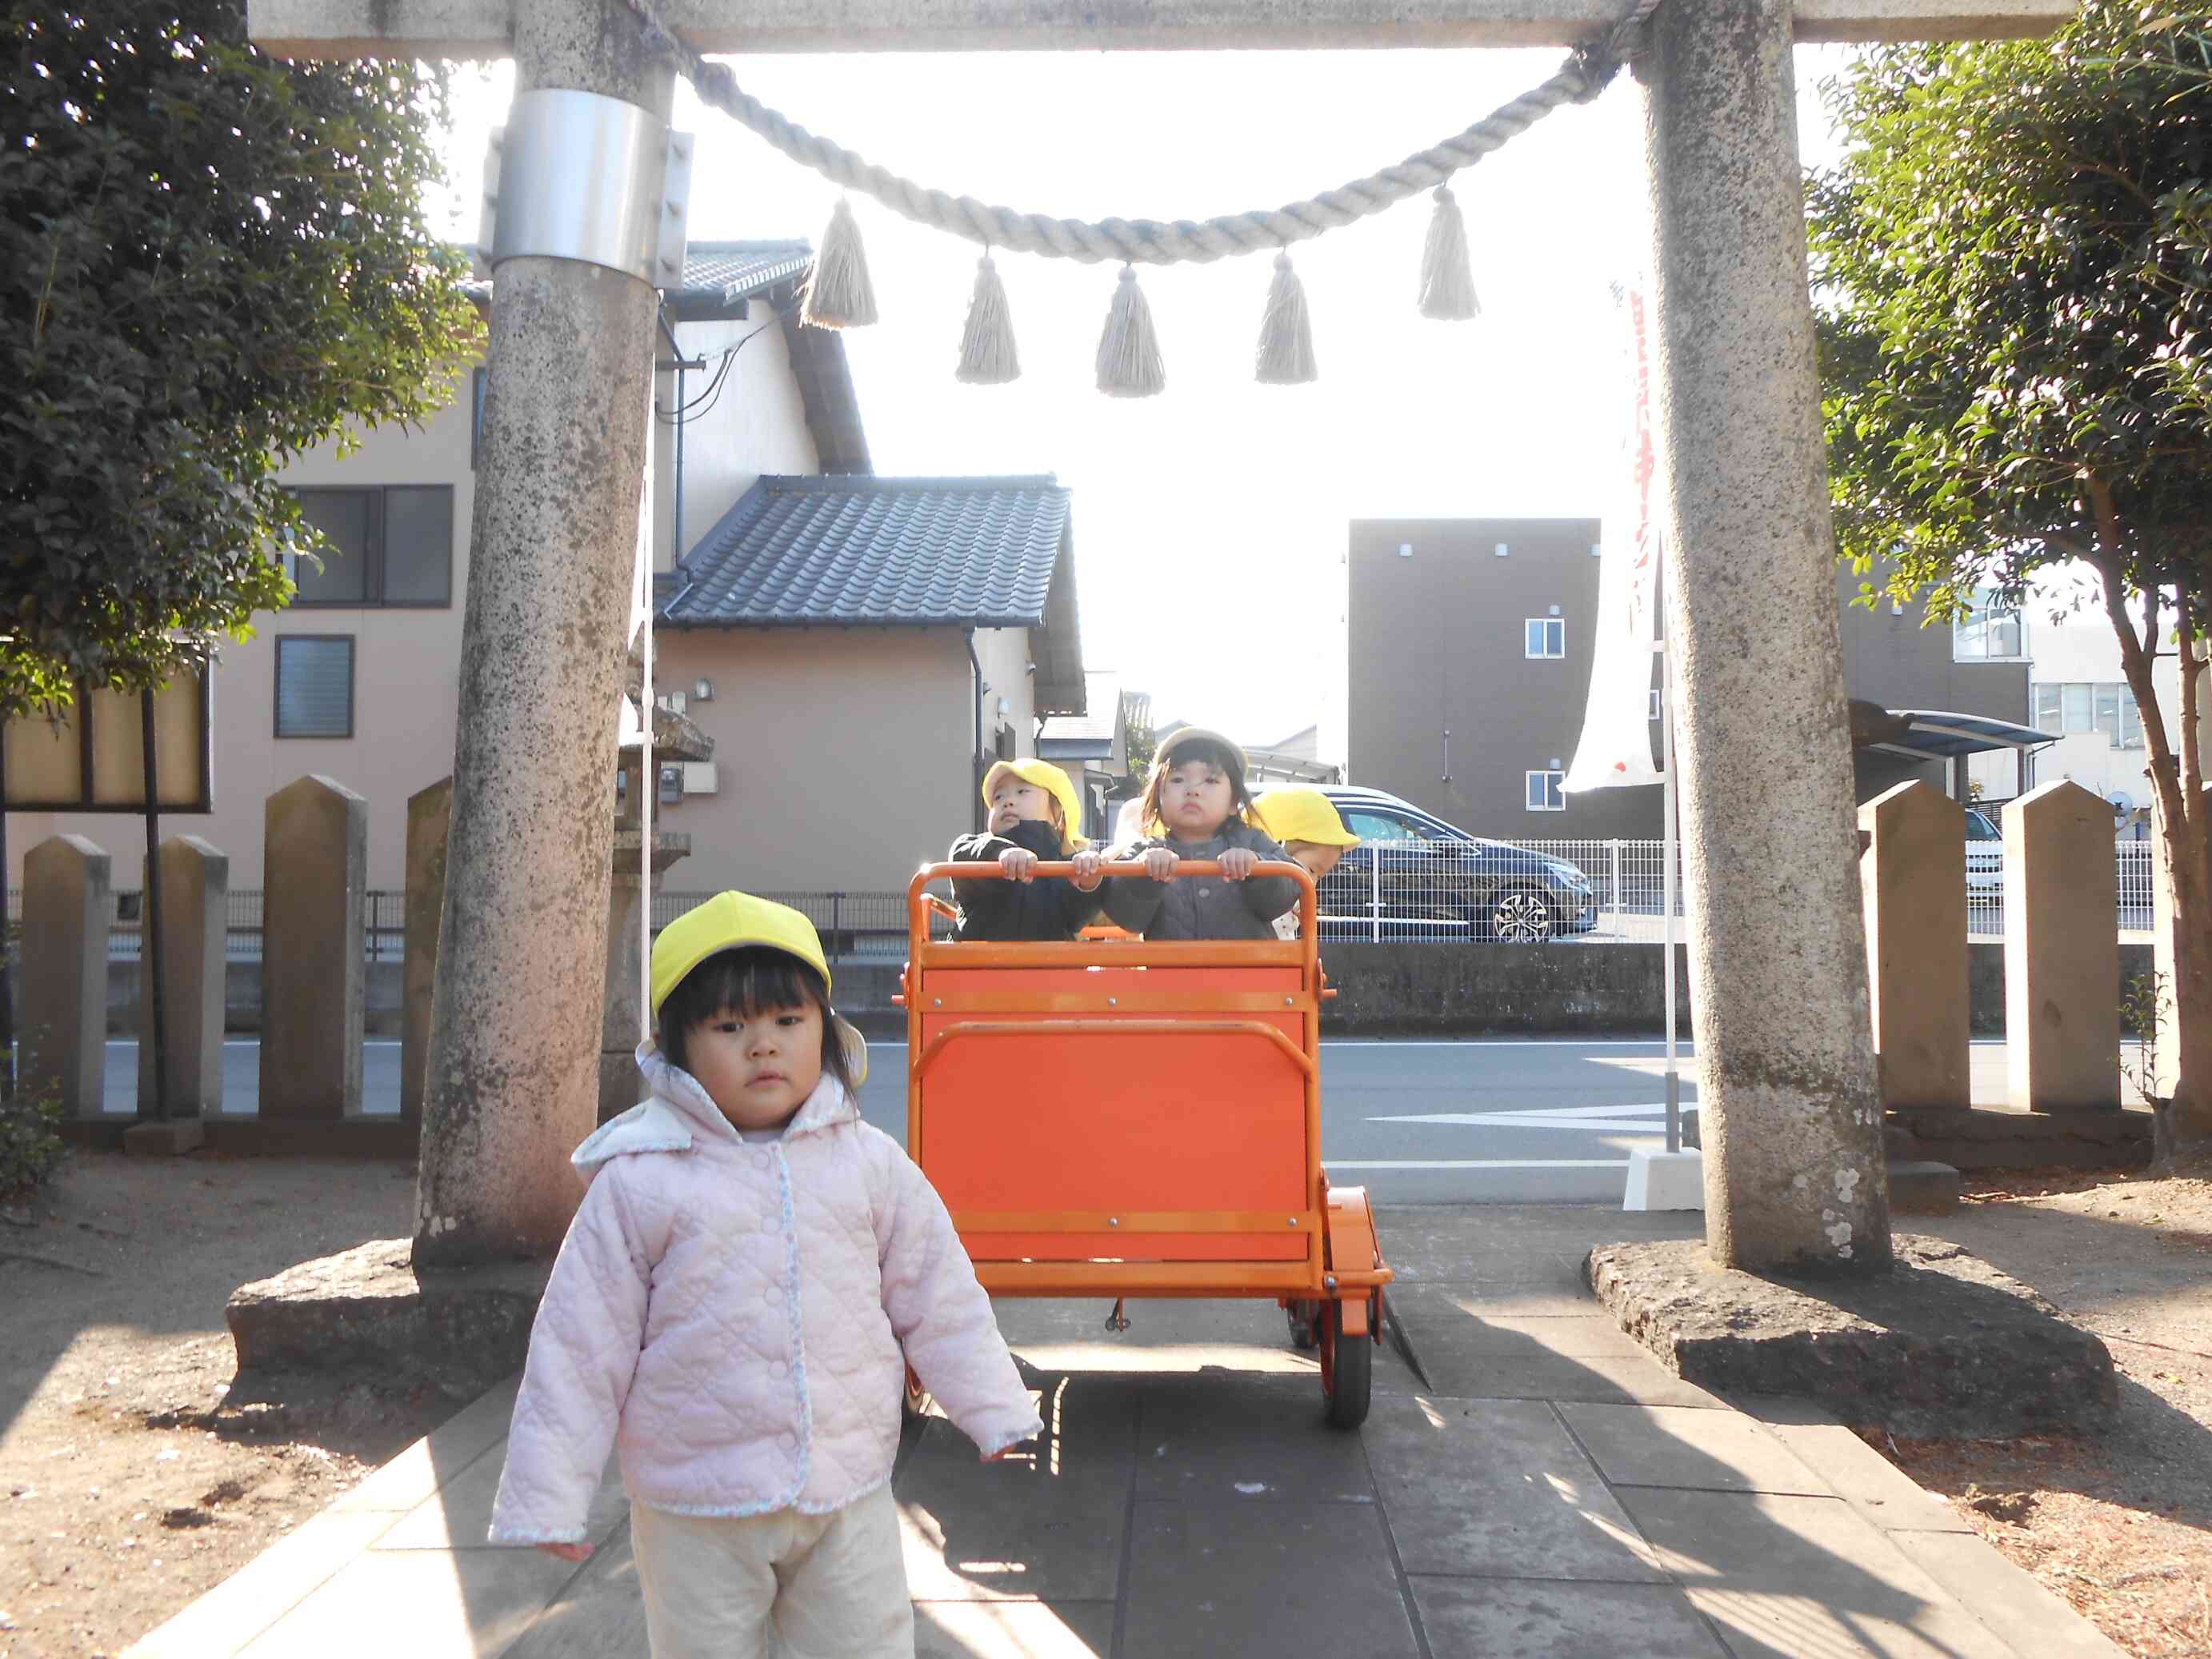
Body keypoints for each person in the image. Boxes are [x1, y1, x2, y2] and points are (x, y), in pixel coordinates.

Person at [487, 891, 1041, 1658]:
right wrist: (549, 1497)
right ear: (675, 1047)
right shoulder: (641, 1182)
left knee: (864, 1643)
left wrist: (991, 1406)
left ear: (827, 1030)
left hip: (844, 1482)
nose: (763, 1047)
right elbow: (581, 1344)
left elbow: (937, 1292)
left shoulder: (867, 1163)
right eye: (728, 1027)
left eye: (788, 1021)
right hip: (693, 1500)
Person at [1101, 727, 1302, 939]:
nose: (1193, 790)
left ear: (1234, 801)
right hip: (1171, 973)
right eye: (1178, 780)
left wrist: (1257, 867)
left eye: (1210, 780)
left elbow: (1289, 889)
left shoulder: (1252, 841)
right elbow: (1126, 918)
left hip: (1248, 971)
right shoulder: (1146, 850)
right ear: (1157, 798)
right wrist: (1145, 876)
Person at [946, 758, 1105, 940]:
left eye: (1022, 791)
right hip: (976, 964)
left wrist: (1089, 884)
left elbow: (1075, 916)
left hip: (1044, 964)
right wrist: (1000, 852)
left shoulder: (1065, 867)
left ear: (1058, 815)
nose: (1007, 801)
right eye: (998, 797)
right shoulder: (980, 848)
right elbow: (961, 856)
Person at [1247, 786, 1362, 941]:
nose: (1313, 882)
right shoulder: (1265, 884)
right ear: (1280, 848)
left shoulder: (1290, 893)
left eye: (1319, 877)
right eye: (1312, 870)